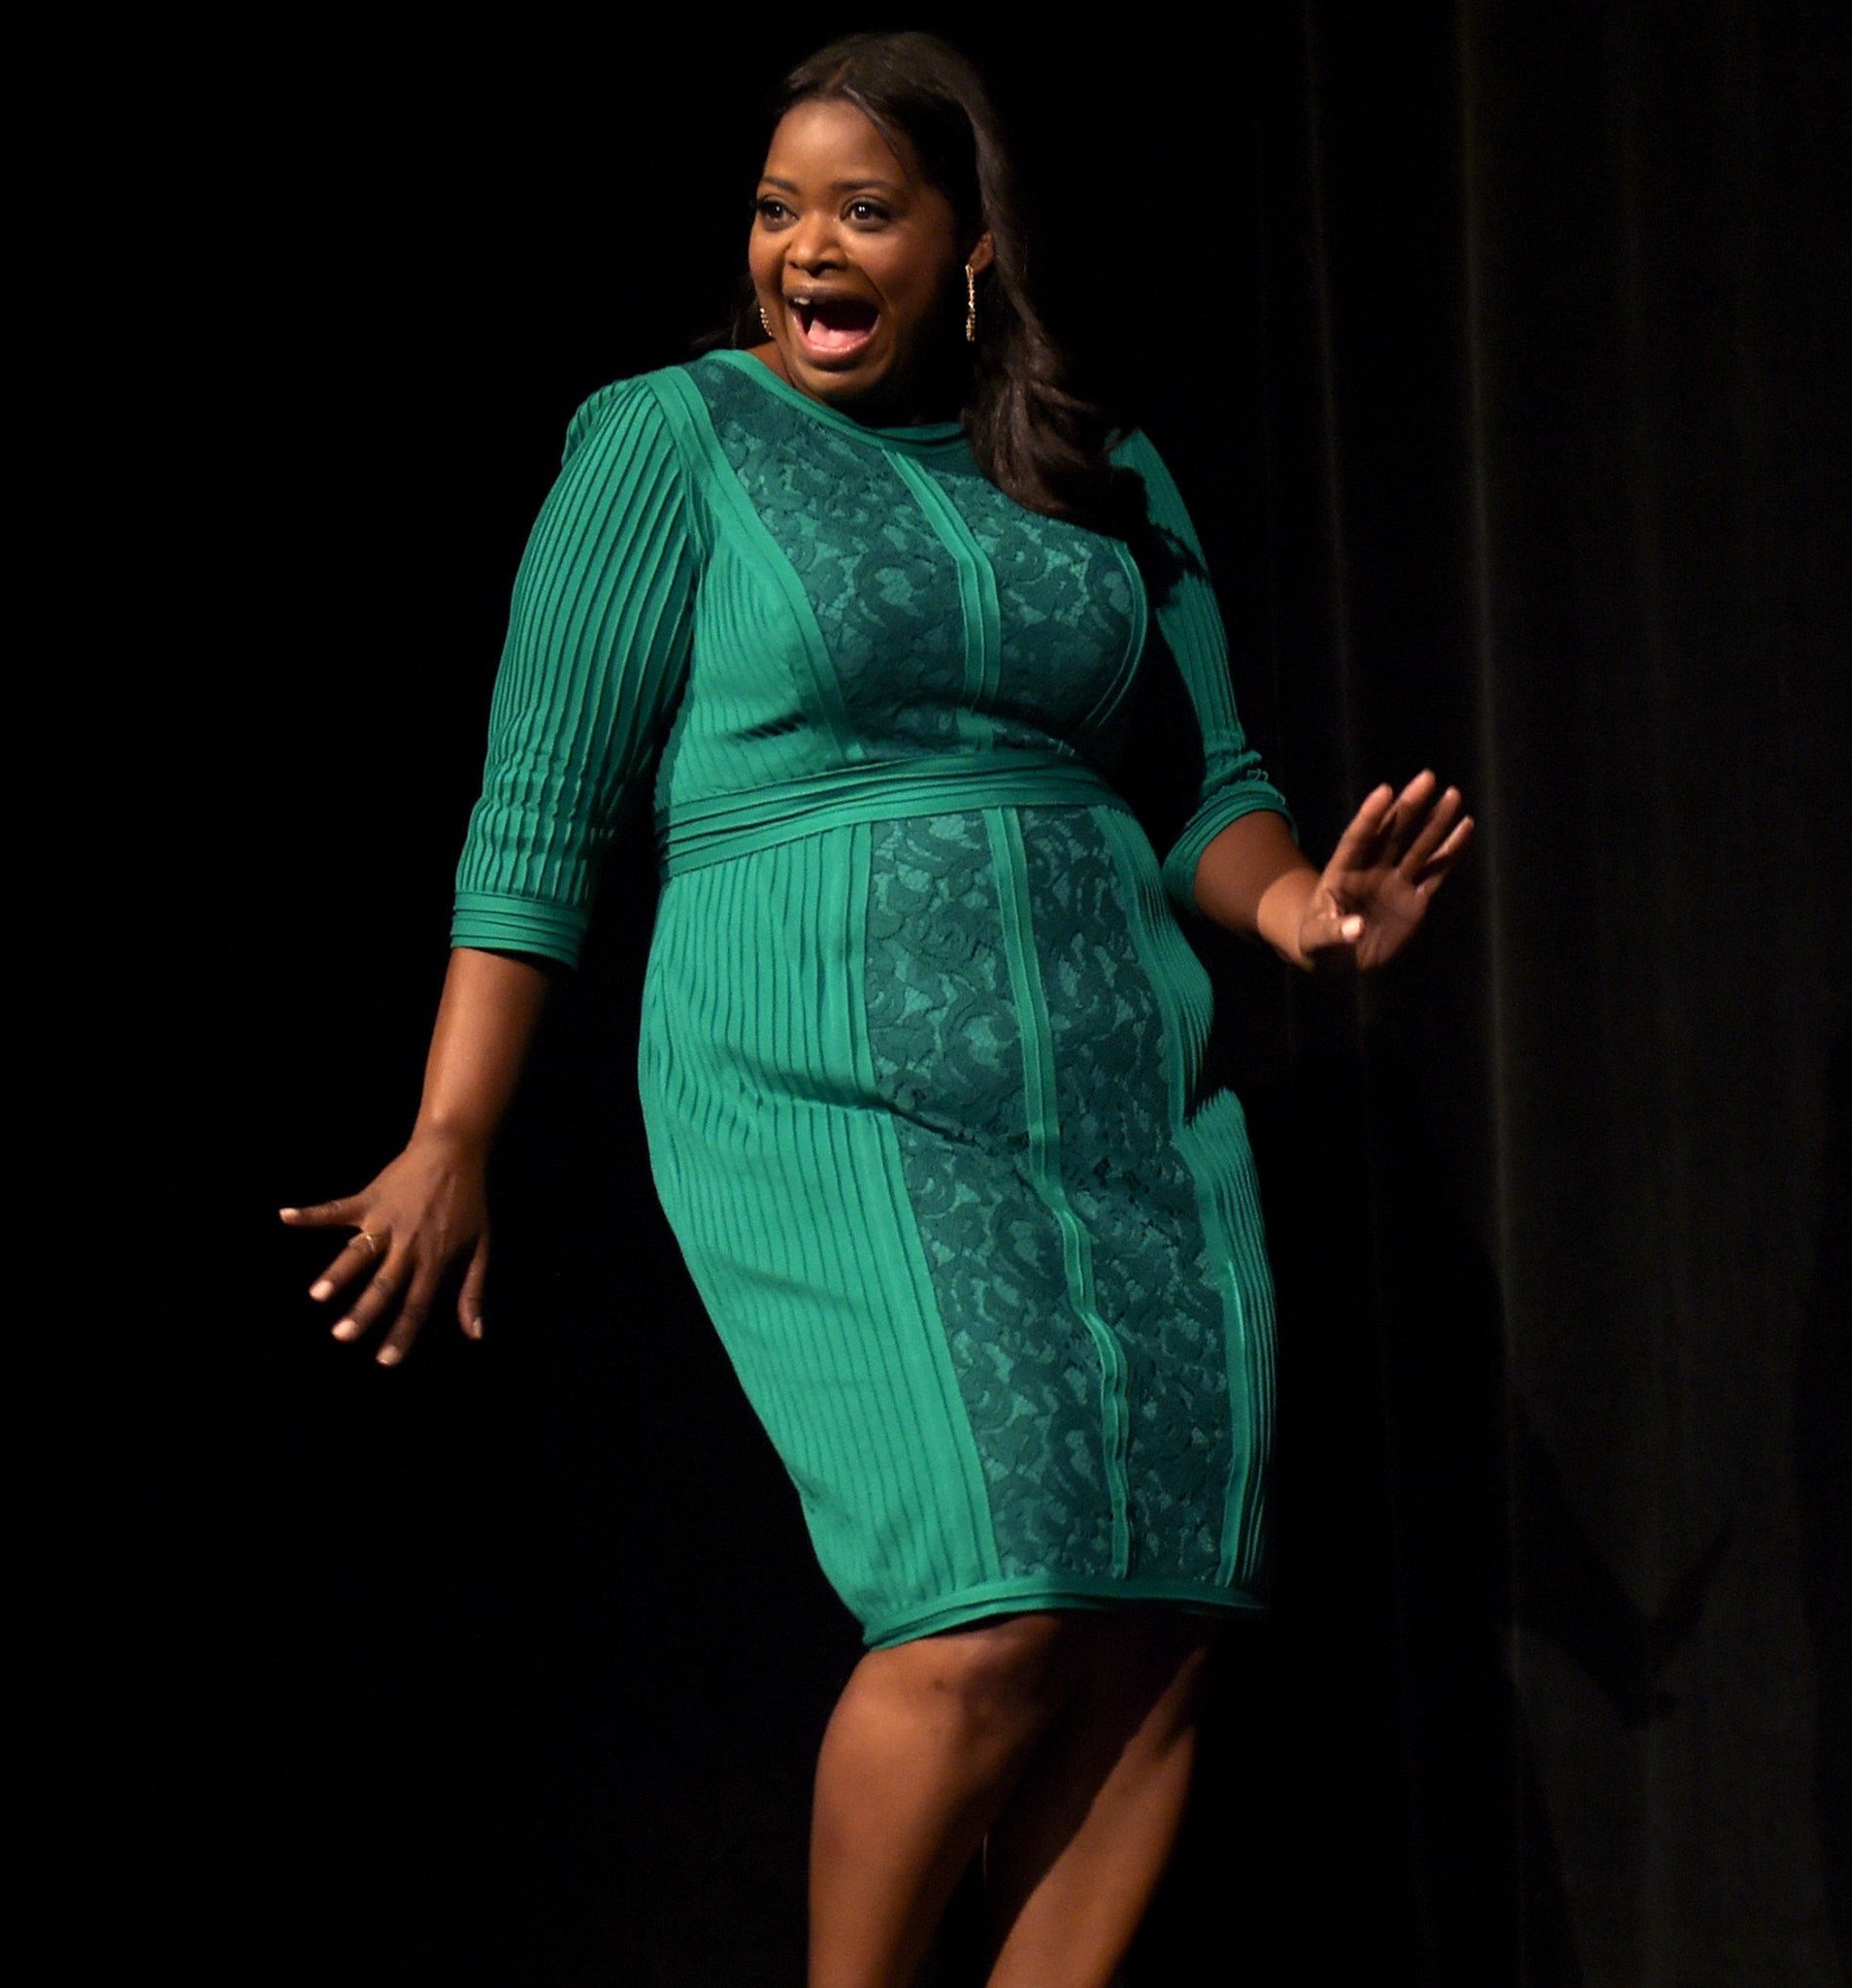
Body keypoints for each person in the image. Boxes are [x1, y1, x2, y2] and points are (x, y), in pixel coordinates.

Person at [281, 31, 1471, 1988]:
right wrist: (455, 1129)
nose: (807, 251)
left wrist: (1307, 920)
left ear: (970, 249)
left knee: (1155, 1630)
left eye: (861, 210)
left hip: (1123, 1088)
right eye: (776, 211)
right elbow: (540, 807)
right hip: (823, 1078)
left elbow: (1208, 786)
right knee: (985, 1604)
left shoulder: (1096, 462)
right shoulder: (670, 441)